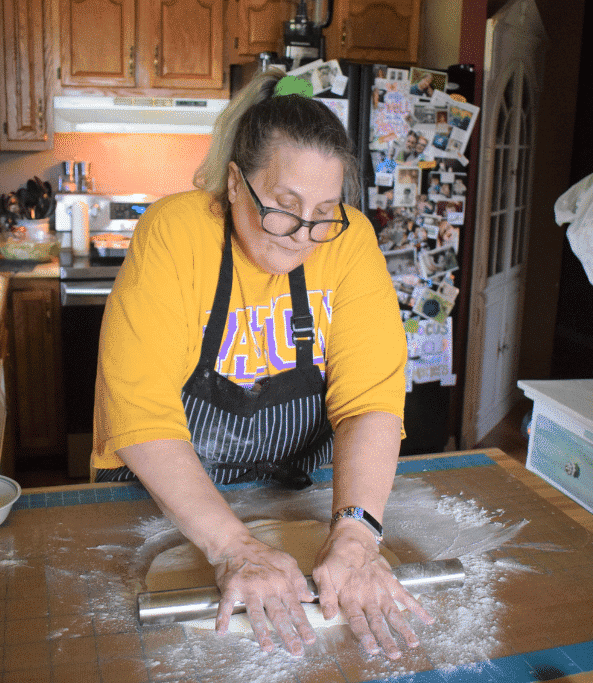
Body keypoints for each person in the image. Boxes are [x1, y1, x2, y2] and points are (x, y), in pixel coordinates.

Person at [92, 68, 433, 659]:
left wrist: (354, 536)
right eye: (283, 207)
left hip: (300, 498)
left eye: (325, 211)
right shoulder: (175, 235)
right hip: (164, 509)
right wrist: (235, 549)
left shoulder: (348, 243)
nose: (303, 234)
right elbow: (141, 412)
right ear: (234, 182)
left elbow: (371, 401)